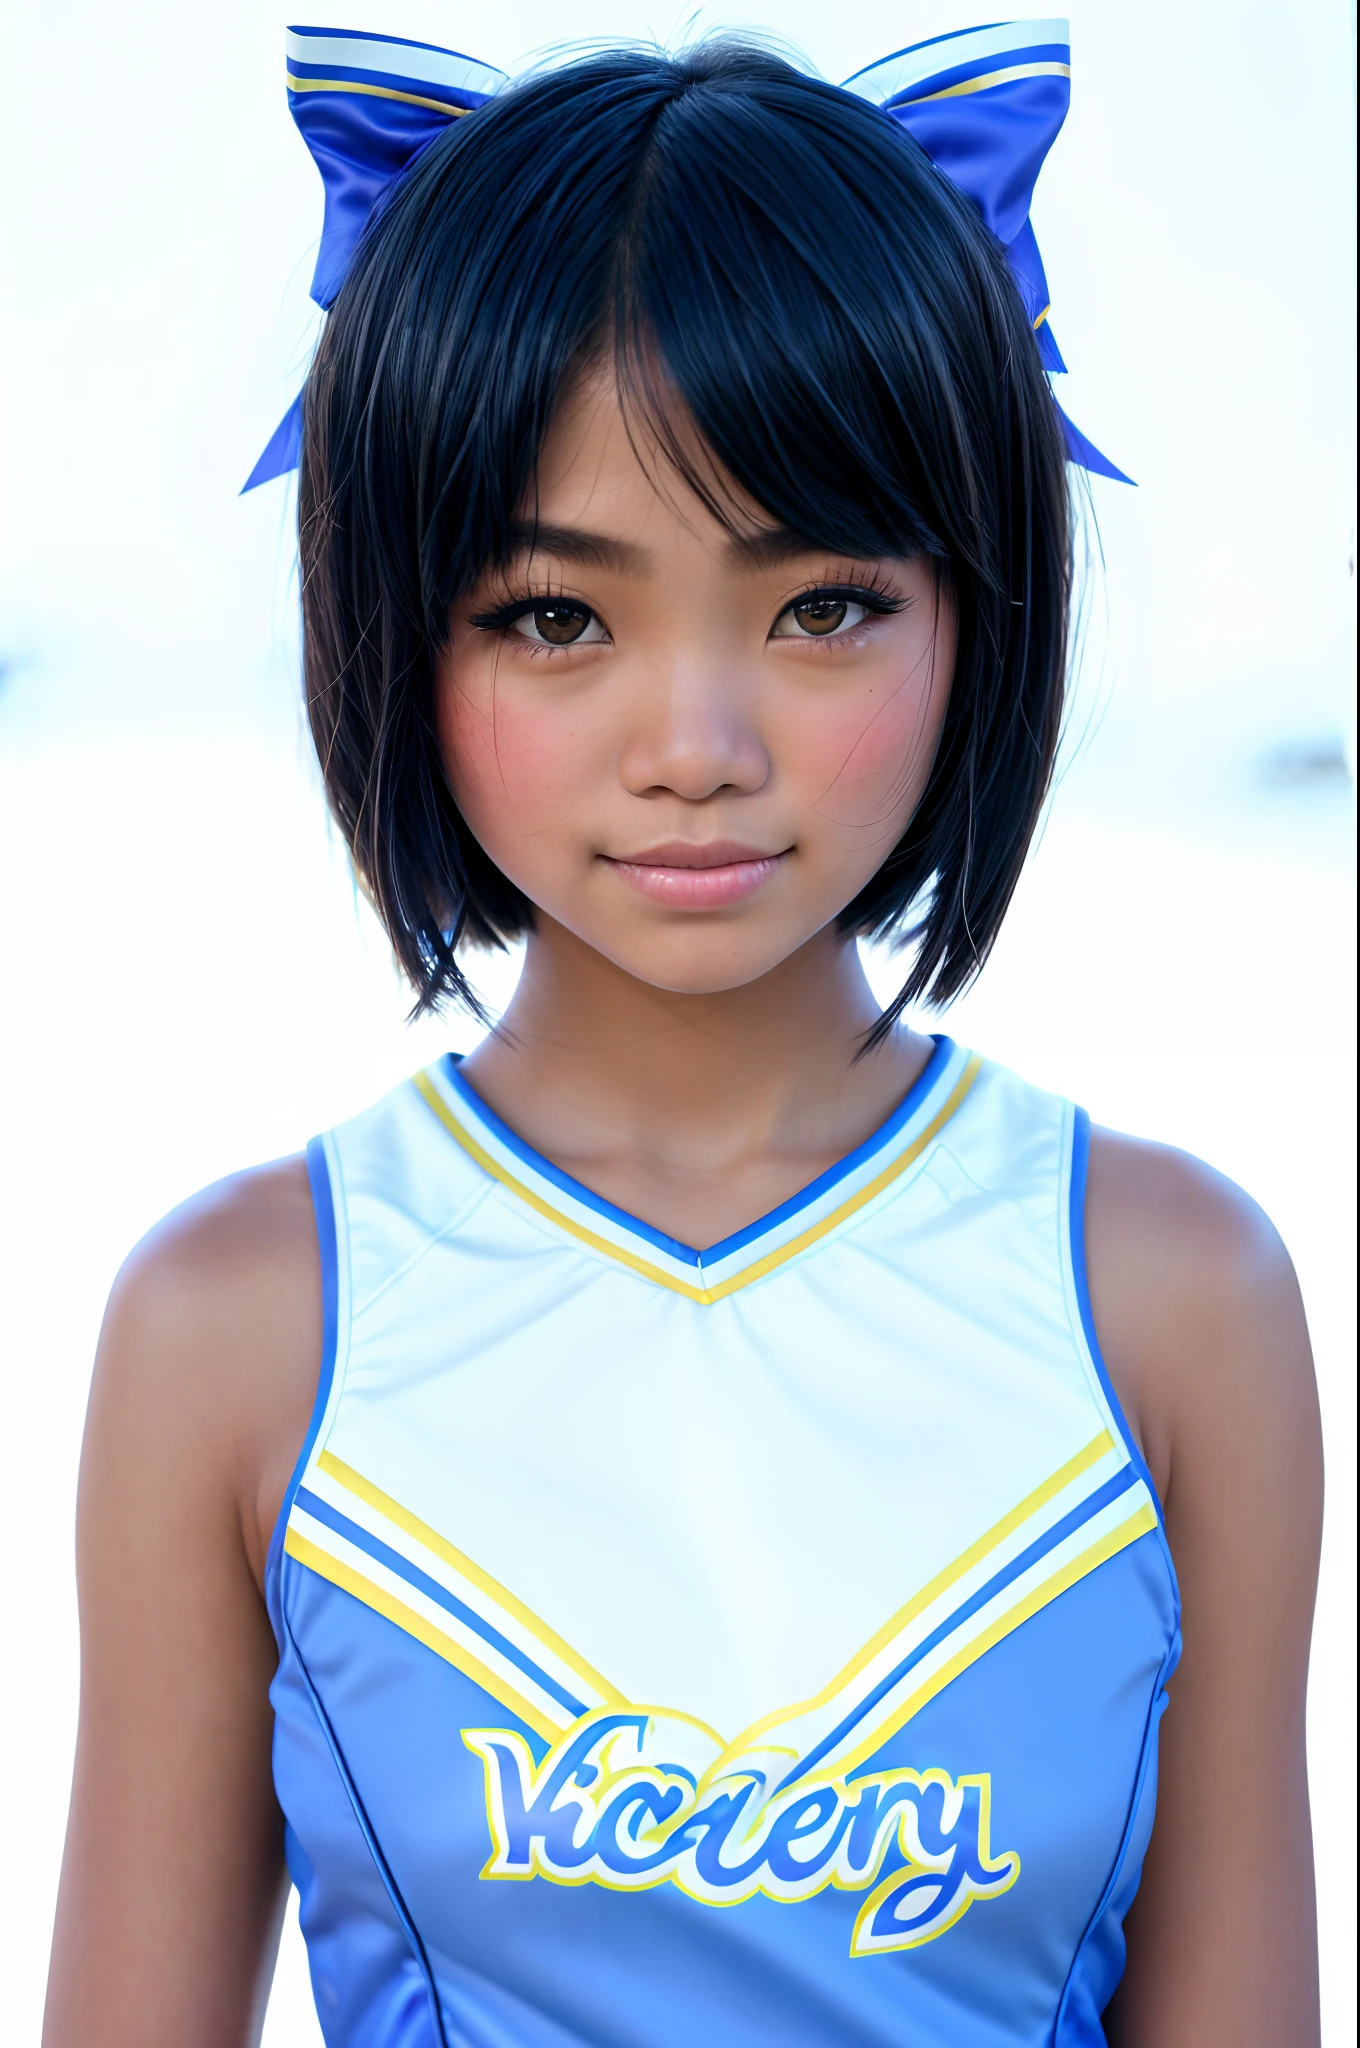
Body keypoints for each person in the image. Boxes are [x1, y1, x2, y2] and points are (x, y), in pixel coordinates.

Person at [43, 23, 1323, 2048]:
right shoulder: (242, 1323)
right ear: (393, 617)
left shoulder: (1173, 1302)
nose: (696, 748)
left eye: (819, 604)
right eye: (556, 615)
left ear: (972, 607)